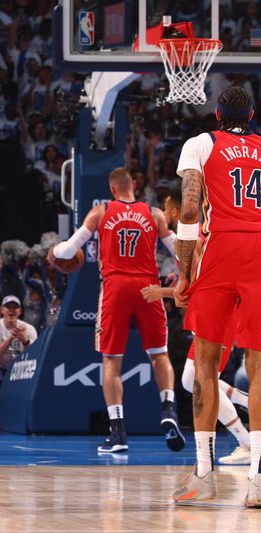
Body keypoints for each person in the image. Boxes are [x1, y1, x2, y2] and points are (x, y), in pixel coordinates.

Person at [49, 167, 182, 453]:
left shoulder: (100, 212)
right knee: (159, 355)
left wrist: (54, 254)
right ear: (135, 185)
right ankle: (169, 409)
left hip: (115, 287)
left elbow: (68, 251)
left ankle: (118, 433)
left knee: (112, 362)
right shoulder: (155, 213)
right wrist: (182, 277)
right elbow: (180, 253)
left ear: (112, 189)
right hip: (148, 287)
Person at [172, 87, 261, 506]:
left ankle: (204, 474)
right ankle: (258, 479)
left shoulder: (201, 144)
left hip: (221, 252)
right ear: (254, 115)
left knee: (204, 363)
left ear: (218, 115)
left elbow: (190, 212)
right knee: (258, 368)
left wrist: (184, 273)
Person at [142, 187, 251, 465]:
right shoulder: (197, 238)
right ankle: (246, 424)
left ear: (176, 213)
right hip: (218, 312)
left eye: (166, 210)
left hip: (221, 314)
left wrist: (160, 292)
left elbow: (197, 288)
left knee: (195, 379)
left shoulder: (191, 241)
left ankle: (245, 438)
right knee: (196, 379)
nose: (164, 215)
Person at [0, 295, 37, 432]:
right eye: (8, 307)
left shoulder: (29, 329)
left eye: (15, 308)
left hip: (22, 371)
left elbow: (35, 359)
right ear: (2, 310)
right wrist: (10, 339)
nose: (12, 311)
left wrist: (25, 341)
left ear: (20, 311)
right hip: (1, 369)